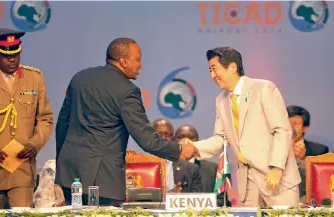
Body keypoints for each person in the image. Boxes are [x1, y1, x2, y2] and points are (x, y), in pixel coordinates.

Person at [55, 38, 198, 207]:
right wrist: (180, 149)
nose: (141, 64)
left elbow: (62, 125)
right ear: (123, 61)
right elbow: (147, 139)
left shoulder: (80, 78)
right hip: (104, 181)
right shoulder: (127, 91)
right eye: (138, 59)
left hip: (70, 175)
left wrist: (61, 164)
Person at [183, 47, 301, 207]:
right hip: (247, 181)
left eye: (214, 69)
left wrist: (276, 167)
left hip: (276, 178)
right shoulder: (221, 100)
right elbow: (221, 138)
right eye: (210, 71)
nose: (212, 76)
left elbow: (281, 130)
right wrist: (194, 147)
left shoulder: (263, 88)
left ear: (232, 67)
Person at [0, 28, 54, 209]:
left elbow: (45, 118)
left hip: (21, 169)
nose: (12, 59)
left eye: (16, 54)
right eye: (5, 55)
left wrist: (34, 144)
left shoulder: (35, 78)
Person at [174, 124, 231, 206]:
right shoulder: (167, 168)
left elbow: (222, 202)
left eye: (191, 137)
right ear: (173, 140)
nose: (186, 141)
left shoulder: (212, 169)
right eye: (181, 137)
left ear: (198, 141)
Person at [152, 119, 202, 193]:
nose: (163, 137)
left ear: (173, 137)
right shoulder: (140, 165)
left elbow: (197, 199)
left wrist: (177, 197)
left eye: (166, 134)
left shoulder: (191, 169)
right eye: (159, 134)